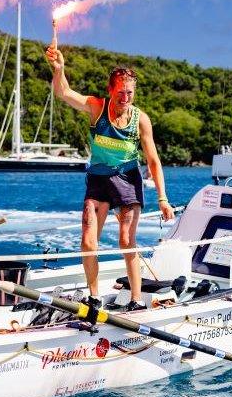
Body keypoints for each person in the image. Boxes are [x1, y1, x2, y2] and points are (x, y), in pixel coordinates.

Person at [45, 45, 174, 312]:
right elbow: (64, 93)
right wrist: (59, 69)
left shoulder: (141, 120)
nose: (125, 97)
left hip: (127, 179)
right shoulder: (96, 108)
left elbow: (153, 160)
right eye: (120, 92)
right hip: (98, 179)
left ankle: (136, 300)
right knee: (88, 240)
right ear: (110, 90)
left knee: (126, 240)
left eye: (130, 92)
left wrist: (163, 198)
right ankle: (94, 296)